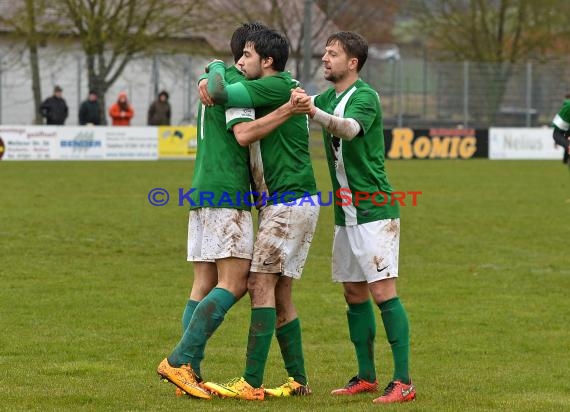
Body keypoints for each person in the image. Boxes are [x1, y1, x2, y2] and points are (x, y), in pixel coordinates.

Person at [288, 31, 415, 404]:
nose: (325, 59)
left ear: (353, 63)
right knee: (353, 292)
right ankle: (366, 376)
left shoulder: (365, 97)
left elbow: (349, 129)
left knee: (382, 292)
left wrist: (312, 111)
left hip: (375, 209)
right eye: (325, 53)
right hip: (346, 212)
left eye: (333, 54)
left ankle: (404, 381)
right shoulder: (329, 97)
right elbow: (301, 101)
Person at [202, 28, 319, 401]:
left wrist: (213, 68)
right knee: (281, 292)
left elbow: (220, 91)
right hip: (292, 202)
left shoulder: (273, 86)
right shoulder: (284, 86)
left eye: (248, 55)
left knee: (257, 284)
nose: (241, 61)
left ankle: (250, 383)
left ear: (267, 62)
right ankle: (298, 380)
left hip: (289, 202)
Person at [156, 22, 268, 400]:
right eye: (254, 56)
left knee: (202, 285)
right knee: (235, 283)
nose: (260, 65)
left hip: (202, 191)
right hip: (226, 193)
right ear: (243, 57)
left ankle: (187, 373)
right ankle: (179, 360)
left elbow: (213, 79)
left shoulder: (215, 78)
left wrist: (212, 66)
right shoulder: (233, 86)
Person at [552, 93, 570, 164]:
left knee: (566, 143)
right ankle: (566, 160)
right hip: (564, 128)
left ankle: (565, 160)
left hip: (563, 127)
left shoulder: (566, 104)